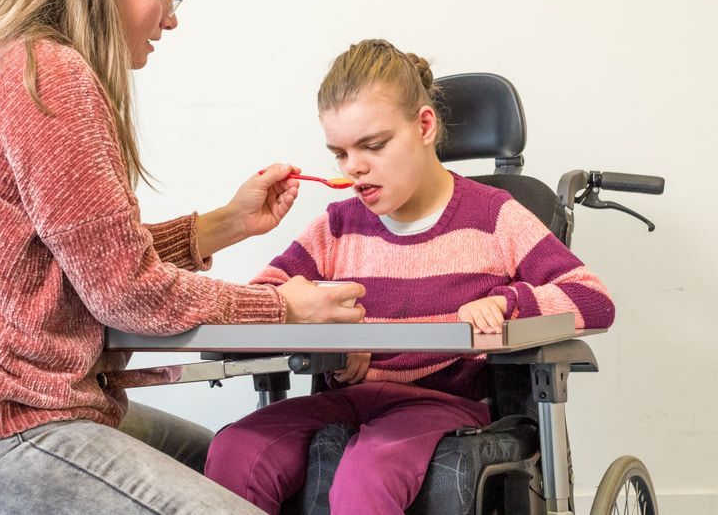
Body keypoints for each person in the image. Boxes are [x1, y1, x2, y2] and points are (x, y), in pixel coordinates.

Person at [0, 0, 364, 513]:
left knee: (241, 467)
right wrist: (286, 311)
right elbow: (126, 293)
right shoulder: (50, 80)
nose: (170, 17)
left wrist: (222, 225)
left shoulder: (10, 63)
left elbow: (75, 260)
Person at [203, 39, 615, 514]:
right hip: (350, 398)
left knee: (367, 476)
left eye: (373, 145)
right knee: (236, 450)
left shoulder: (495, 216)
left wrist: (509, 303)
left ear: (424, 125)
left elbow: (592, 298)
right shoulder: (338, 226)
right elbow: (264, 301)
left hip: (442, 403)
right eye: (339, 153)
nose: (354, 167)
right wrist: (329, 336)